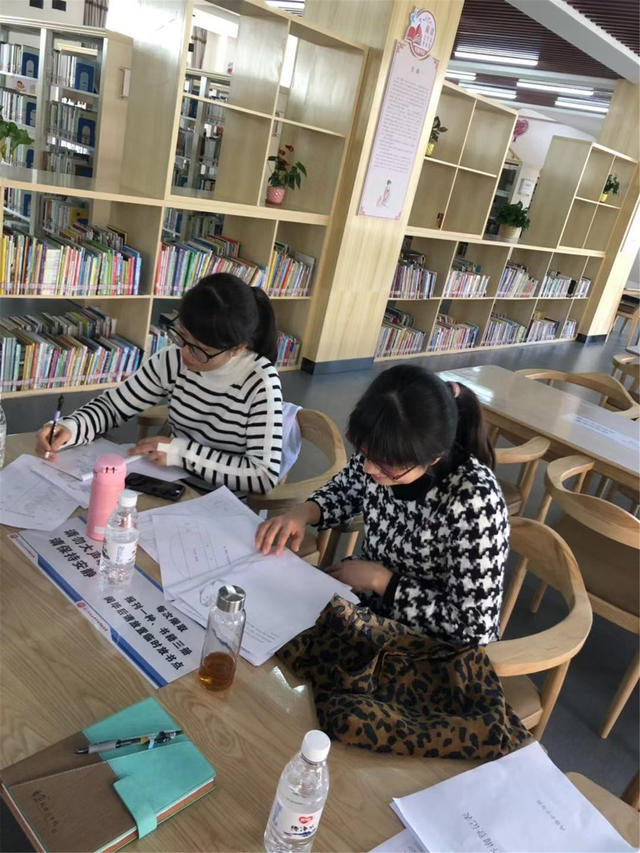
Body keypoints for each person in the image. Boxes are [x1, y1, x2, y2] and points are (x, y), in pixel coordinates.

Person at [256, 365, 510, 645]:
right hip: (366, 607)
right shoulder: (383, 448)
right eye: (364, 453)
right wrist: (303, 513)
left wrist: (383, 581)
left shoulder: (474, 501)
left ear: (434, 458)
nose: (368, 468)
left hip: (424, 645)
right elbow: (345, 490)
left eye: (385, 466)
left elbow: (474, 627)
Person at [35, 274, 284, 494]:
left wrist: (181, 454)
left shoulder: (260, 382)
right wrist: (72, 427)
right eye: (182, 336)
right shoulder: (173, 359)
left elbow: (263, 475)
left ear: (237, 348)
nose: (185, 354)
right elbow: (113, 406)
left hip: (220, 502)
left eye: (200, 350)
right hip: (168, 485)